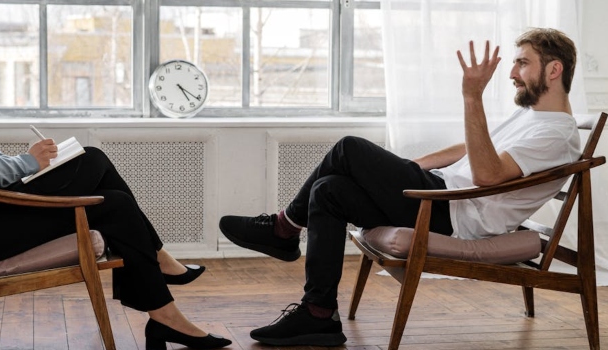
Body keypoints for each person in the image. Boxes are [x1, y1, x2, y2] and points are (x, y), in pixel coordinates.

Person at [0, 0, 231, 349]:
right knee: (95, 166)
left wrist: (29, 162)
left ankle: (164, 311)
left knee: (106, 187)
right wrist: (28, 163)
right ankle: (160, 273)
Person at [219, 28, 581, 346]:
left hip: (451, 214)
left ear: (553, 69)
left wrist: (472, 97)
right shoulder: (532, 116)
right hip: (441, 193)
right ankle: (318, 313)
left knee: (349, 147)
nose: (513, 74)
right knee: (328, 189)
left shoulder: (555, 134)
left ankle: (283, 229)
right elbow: (470, 149)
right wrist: (407, 168)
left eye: (522, 63)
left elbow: (487, 175)